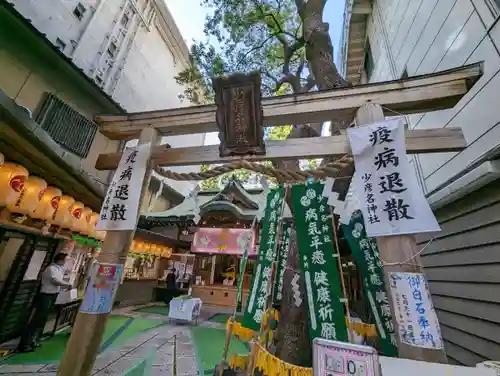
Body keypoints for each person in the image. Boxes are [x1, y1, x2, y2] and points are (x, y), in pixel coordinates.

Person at [18, 253, 72, 352]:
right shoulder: (51, 269)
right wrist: (67, 284)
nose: (66, 262)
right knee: (36, 319)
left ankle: (33, 340)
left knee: (41, 320)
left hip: (53, 295)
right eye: (65, 260)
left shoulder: (59, 269)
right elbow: (54, 280)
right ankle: (24, 344)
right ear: (60, 260)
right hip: (46, 296)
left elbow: (63, 276)